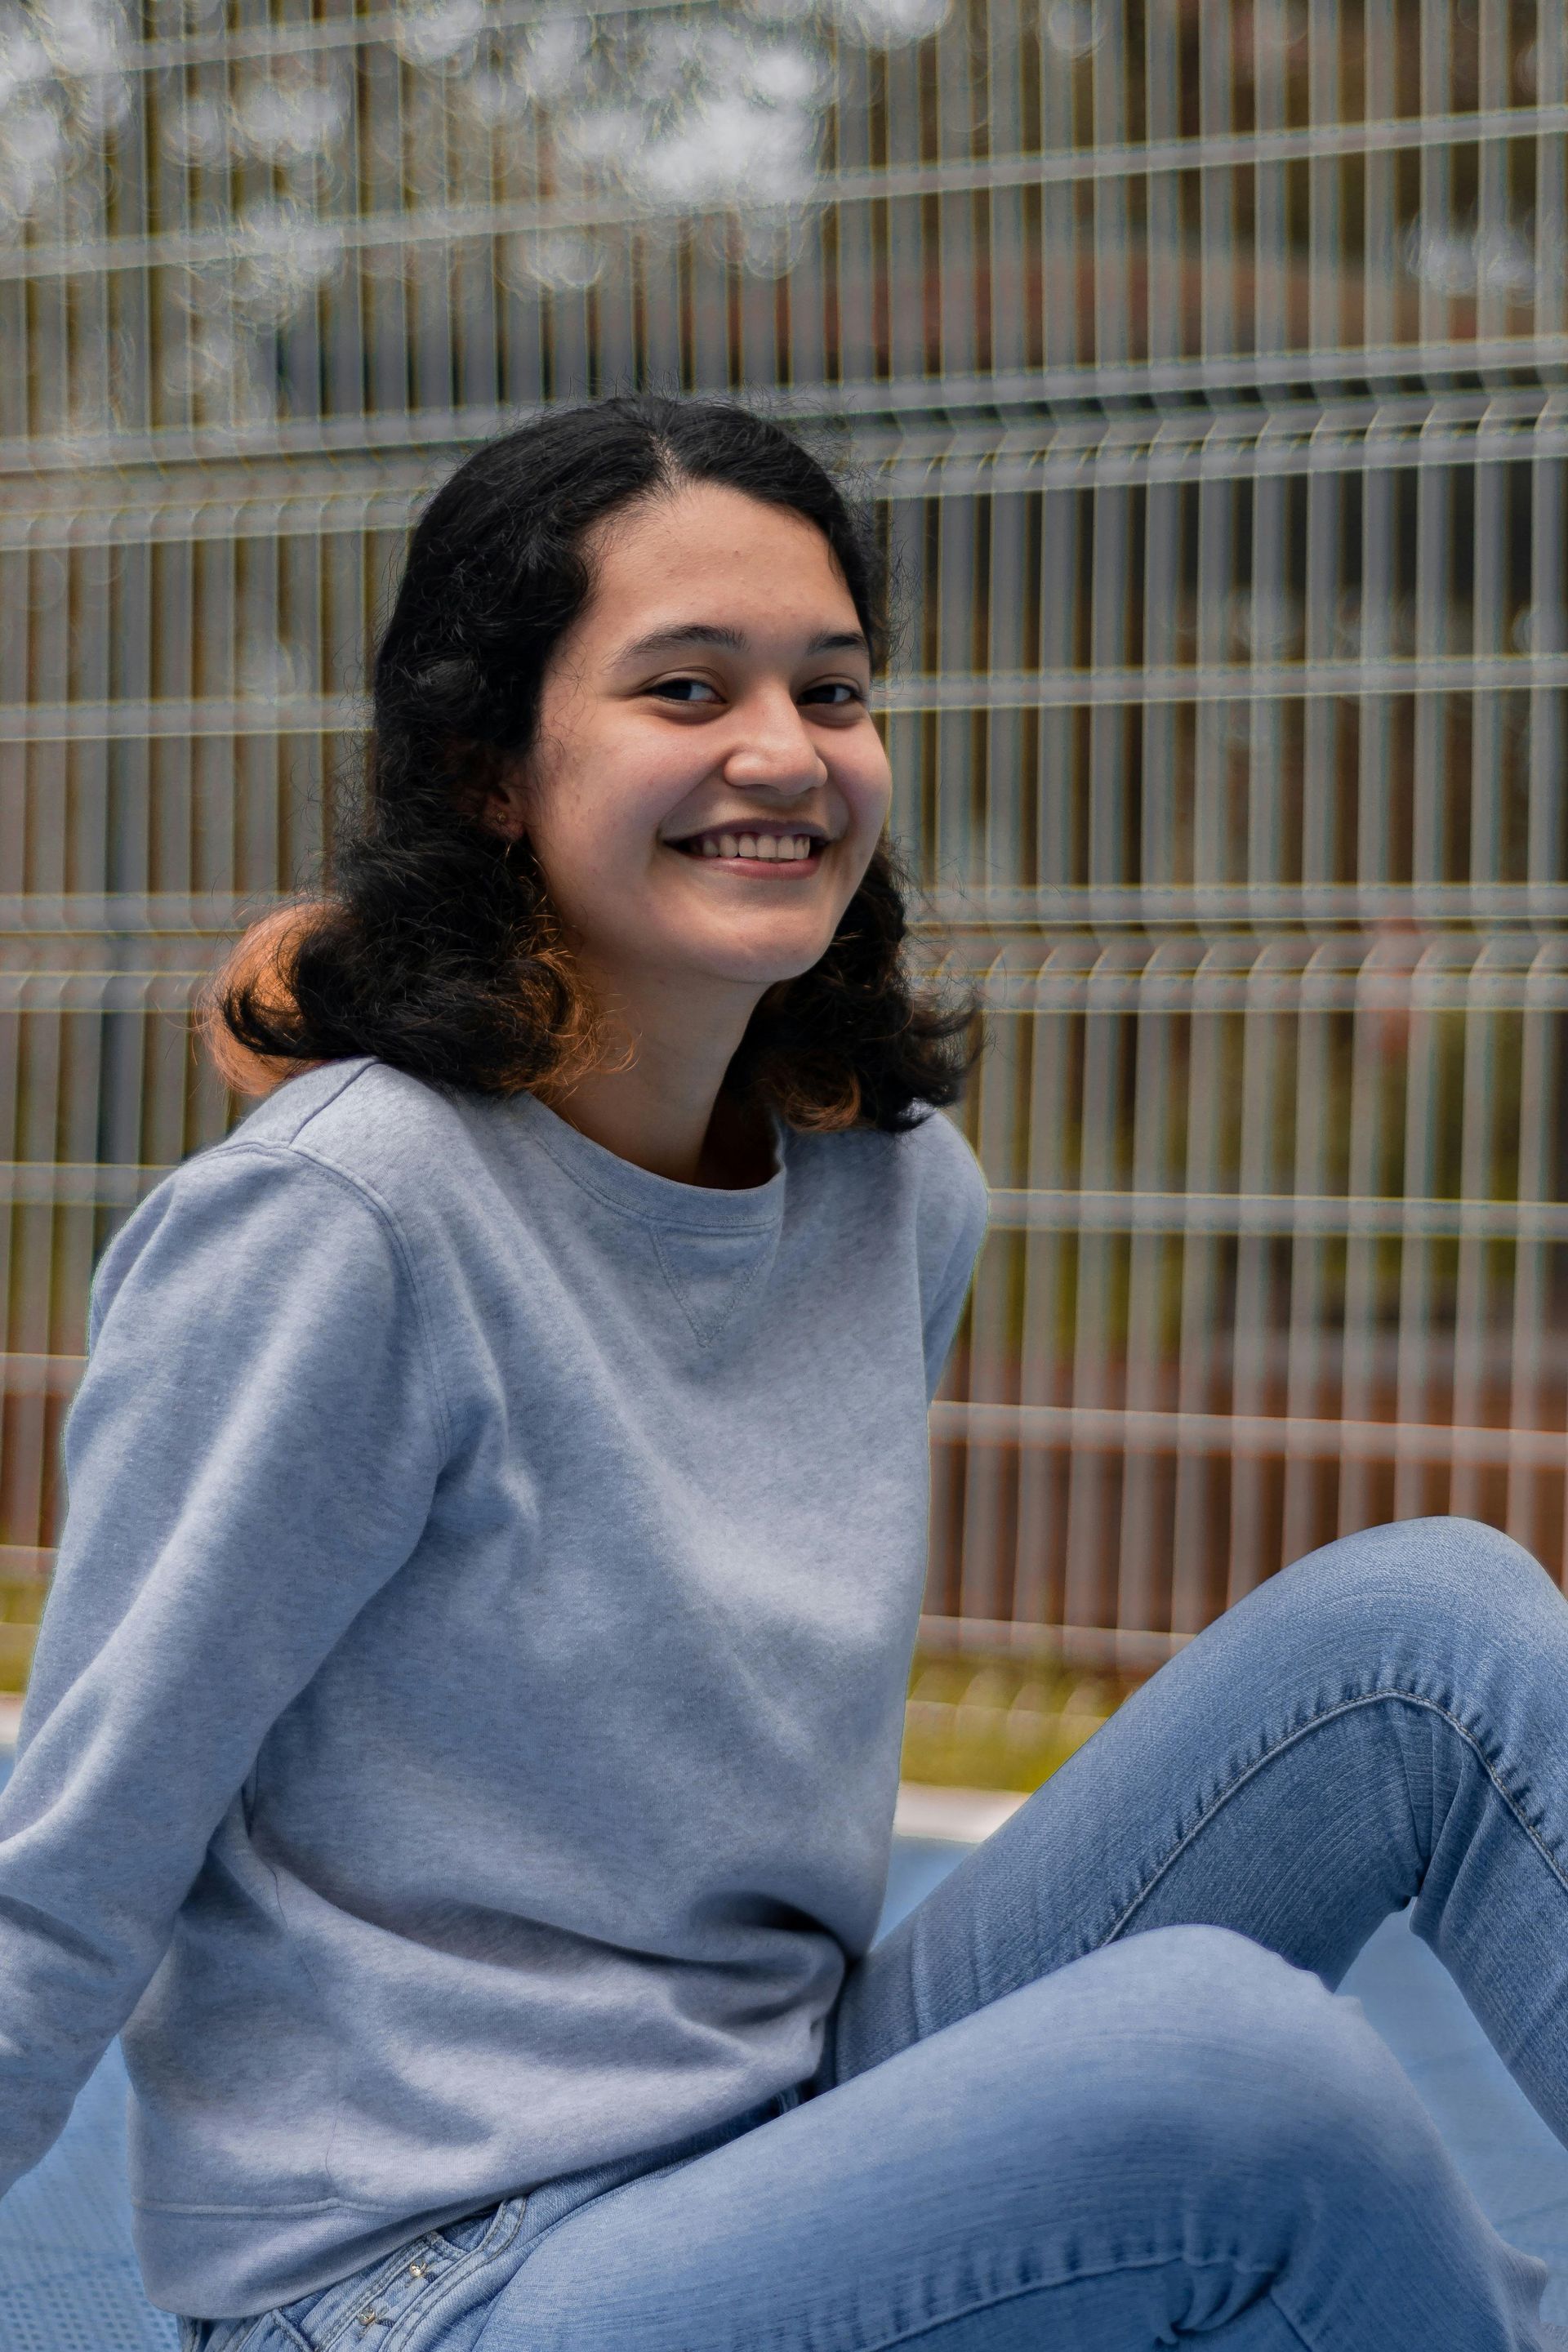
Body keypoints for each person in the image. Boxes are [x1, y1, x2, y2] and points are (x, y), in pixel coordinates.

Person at [1, 394, 1566, 2352]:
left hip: (786, 2129)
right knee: (1235, 2073)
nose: (781, 752)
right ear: (493, 769)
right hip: (434, 2284)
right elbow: (64, 1872)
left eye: (830, 691)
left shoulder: (888, 1190)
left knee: (1438, 1626)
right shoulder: (338, 1235)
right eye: (682, 687)